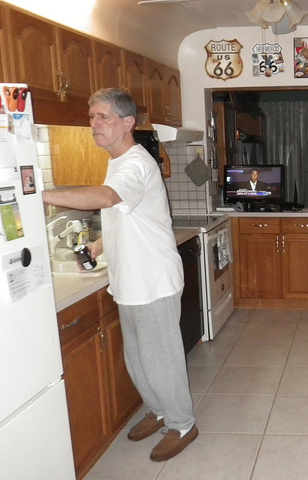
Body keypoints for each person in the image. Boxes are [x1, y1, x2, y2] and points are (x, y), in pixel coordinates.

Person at [42, 88, 197, 462]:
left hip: (152, 281)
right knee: (138, 359)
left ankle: (182, 424)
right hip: (129, 282)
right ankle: (159, 411)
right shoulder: (116, 162)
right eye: (92, 116)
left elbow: (108, 198)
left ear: (127, 123)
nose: (94, 124)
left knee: (161, 361)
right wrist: (98, 246)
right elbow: (123, 215)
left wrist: (36, 194)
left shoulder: (136, 163)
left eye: (103, 116)